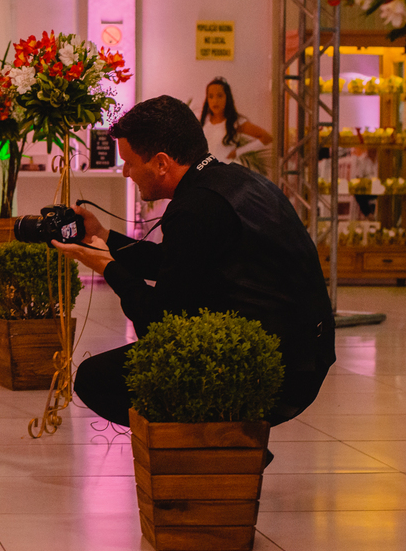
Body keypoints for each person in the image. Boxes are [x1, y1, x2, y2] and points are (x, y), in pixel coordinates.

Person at [52, 95, 335, 434]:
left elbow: (158, 323)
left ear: (161, 163)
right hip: (306, 354)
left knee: (96, 379)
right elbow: (177, 263)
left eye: (128, 162)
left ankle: (215, 449)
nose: (126, 172)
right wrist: (104, 236)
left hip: (276, 369)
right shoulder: (234, 181)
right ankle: (222, 448)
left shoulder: (195, 208)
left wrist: (106, 267)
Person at [199, 77, 272, 160]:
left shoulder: (235, 121)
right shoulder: (203, 120)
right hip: (206, 170)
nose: (215, 101)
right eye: (211, 96)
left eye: (219, 96)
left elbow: (266, 137)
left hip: (225, 169)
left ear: (227, 97)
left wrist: (238, 152)